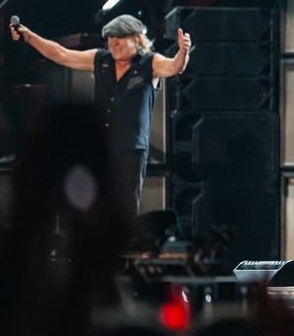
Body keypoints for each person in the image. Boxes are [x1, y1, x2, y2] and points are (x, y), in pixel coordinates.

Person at [10, 13, 192, 214]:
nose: (113, 43)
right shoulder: (100, 59)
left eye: (119, 38)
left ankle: (124, 235)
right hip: (100, 146)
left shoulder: (150, 63)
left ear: (136, 39)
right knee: (93, 204)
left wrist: (183, 52)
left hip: (130, 149)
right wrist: (29, 36)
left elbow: (175, 66)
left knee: (127, 206)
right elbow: (61, 54)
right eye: (110, 38)